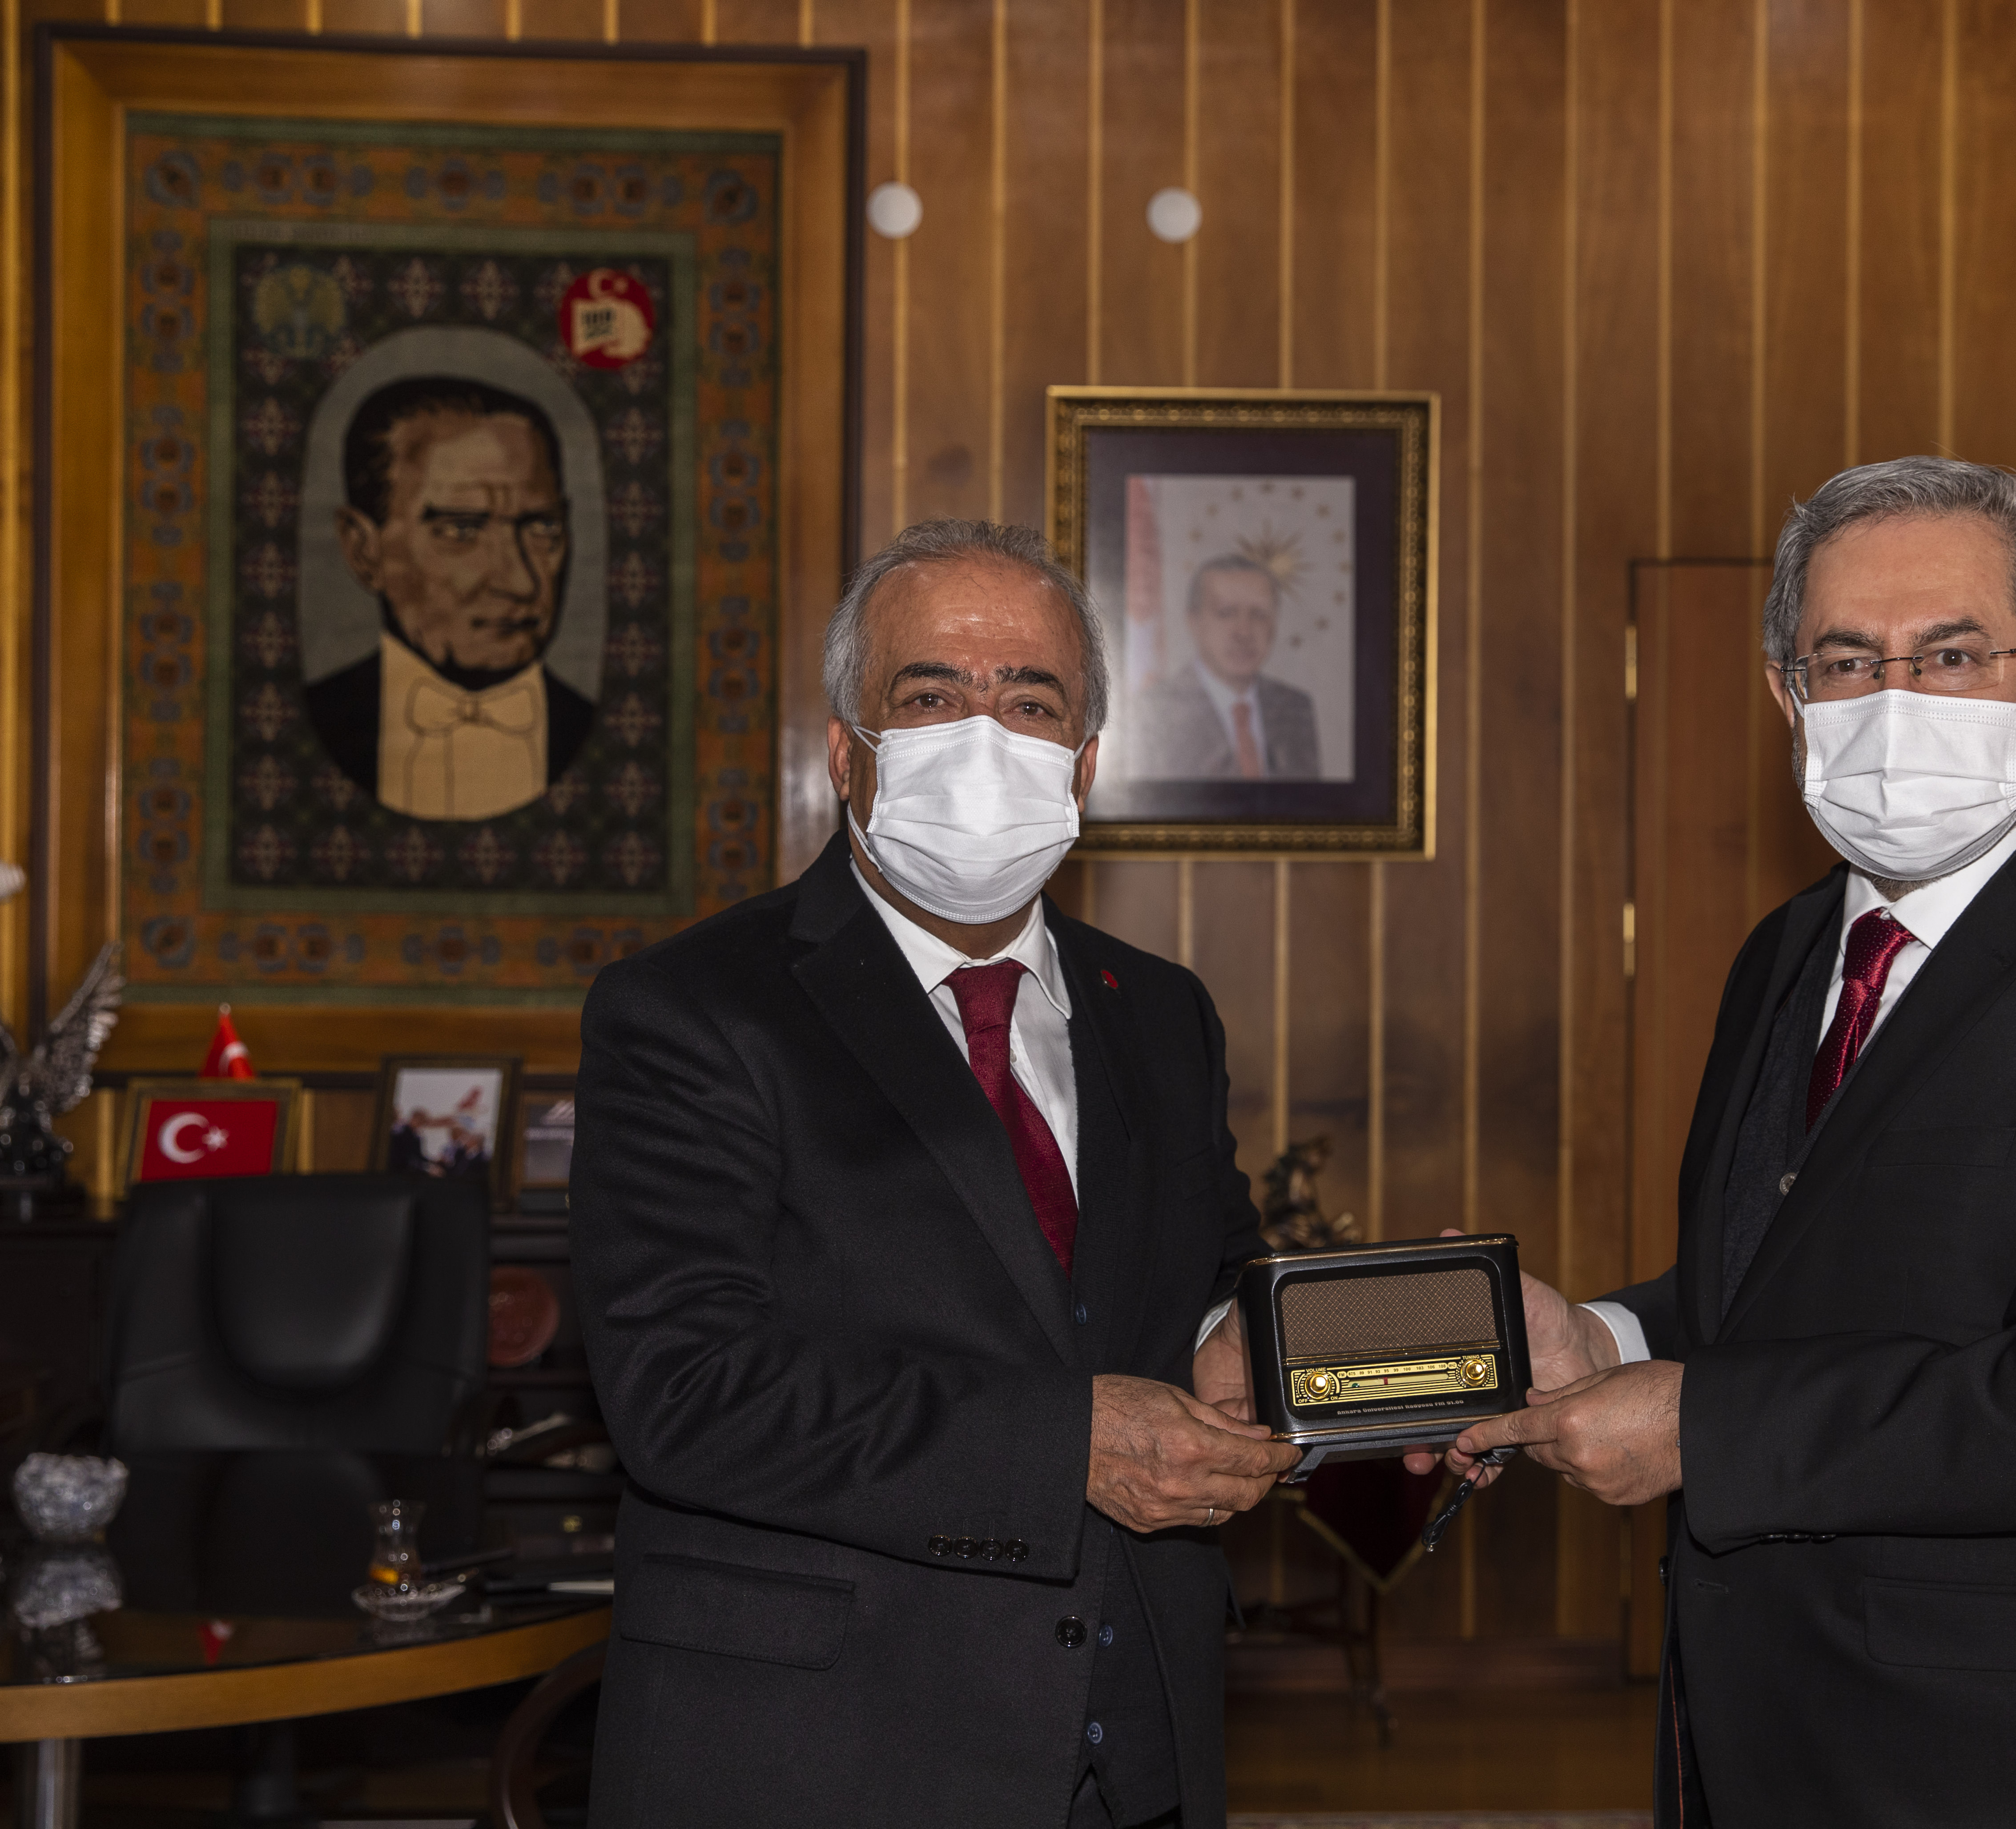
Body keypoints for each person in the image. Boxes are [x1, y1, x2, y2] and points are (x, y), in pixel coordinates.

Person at [1430, 458, 2016, 1826]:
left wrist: (1705, 1428)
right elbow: (1796, 1279)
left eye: (1950, 654)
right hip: (1756, 1731)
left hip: (2008, 1763)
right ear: (1788, 697)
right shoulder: (1792, 947)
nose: (1892, 701)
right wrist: (1607, 1336)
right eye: (1845, 660)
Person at [572, 519, 1297, 1829]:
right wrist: (1069, 1446)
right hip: (820, 1757)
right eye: (930, 696)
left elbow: (1206, 1280)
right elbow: (683, 1389)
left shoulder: (1159, 1012)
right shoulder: (692, 1009)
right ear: (845, 750)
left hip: (1131, 1750)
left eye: (1031, 701)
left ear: (1084, 763)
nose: (983, 736)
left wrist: (1297, 1354)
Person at [305, 375, 595, 820]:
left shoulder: (609, 734)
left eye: (542, 529)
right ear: (364, 551)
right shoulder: (311, 724)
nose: (521, 582)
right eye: (461, 530)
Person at [1132, 553, 1321, 779]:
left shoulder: (1295, 708)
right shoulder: (1157, 710)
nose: (1244, 632)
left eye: (1259, 615)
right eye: (1226, 613)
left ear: (1274, 624)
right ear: (1194, 622)